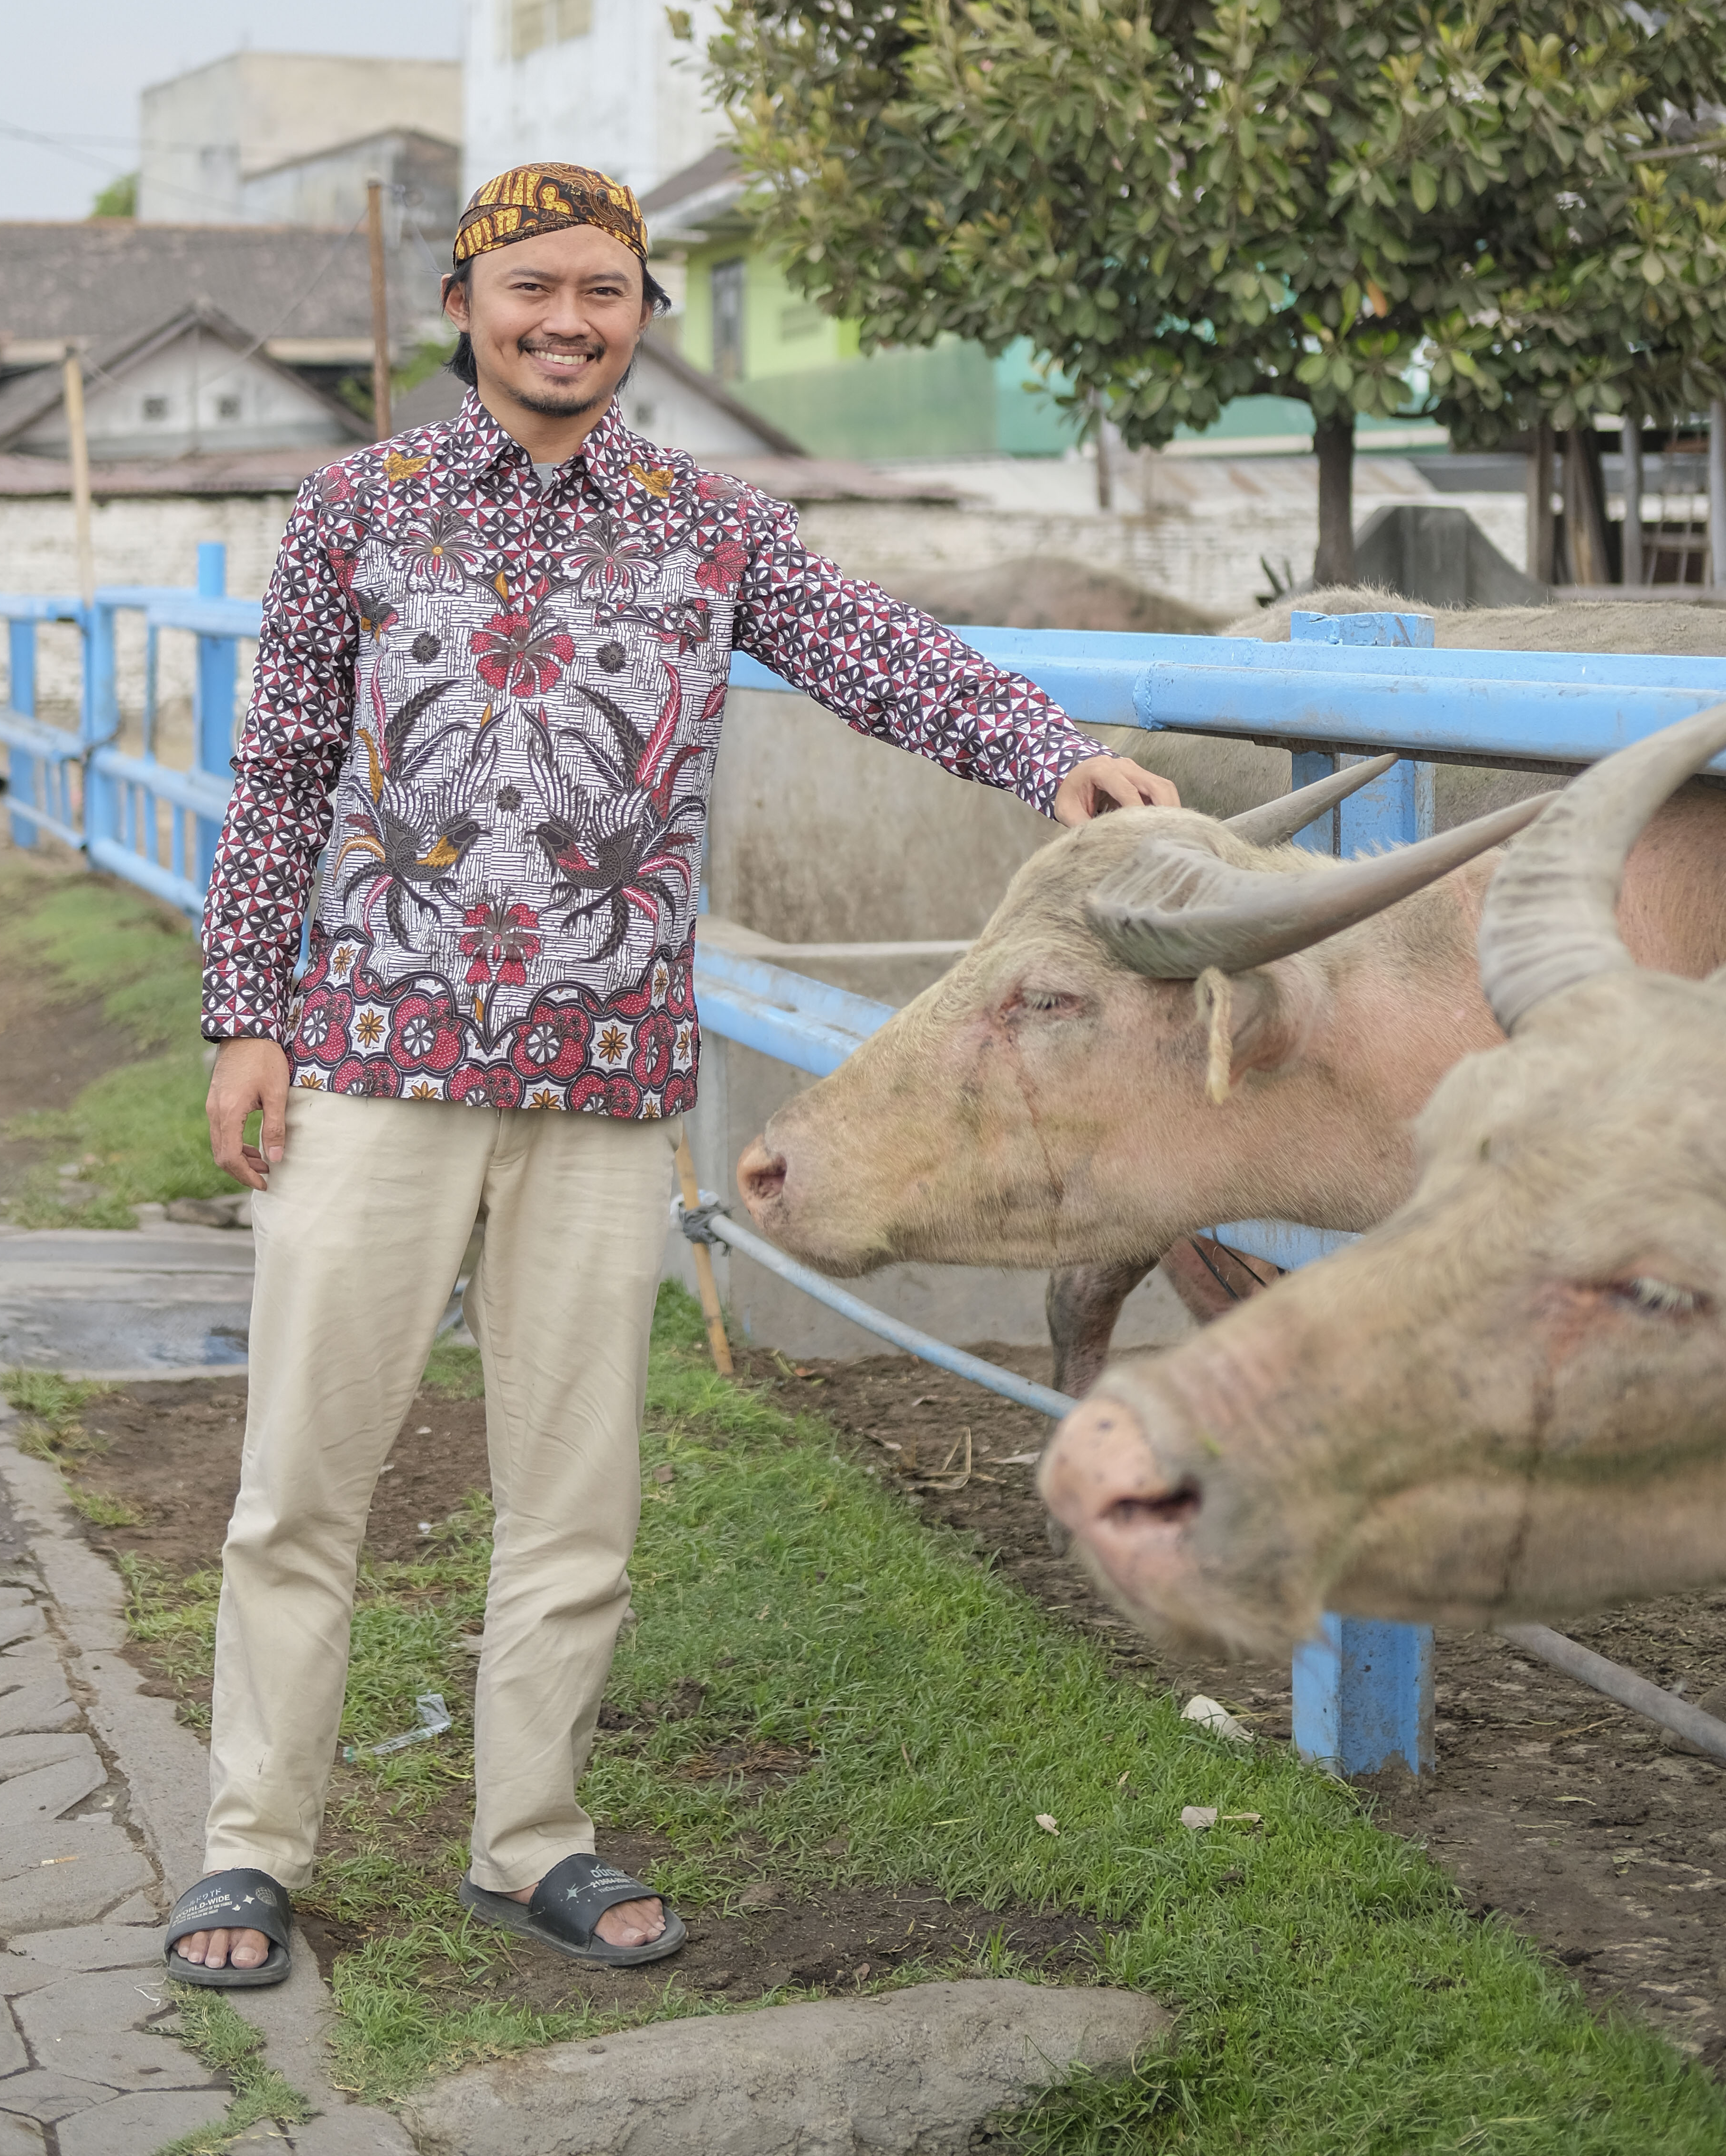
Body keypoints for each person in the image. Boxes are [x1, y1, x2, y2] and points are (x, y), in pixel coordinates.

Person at [166, 159, 1178, 1987]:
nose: (570, 320)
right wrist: (247, 1014)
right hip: (376, 1061)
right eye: (534, 287)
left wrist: (1058, 757)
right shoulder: (354, 513)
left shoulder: (708, 528)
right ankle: (252, 1850)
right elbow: (283, 779)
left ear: (641, 317)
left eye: (607, 293)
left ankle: (530, 1836)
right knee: (302, 1482)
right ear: (465, 305)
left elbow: (882, 657)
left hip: (608, 1080)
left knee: (578, 1495)